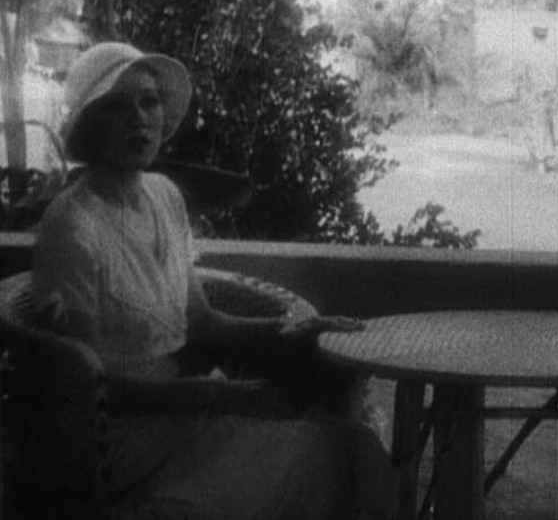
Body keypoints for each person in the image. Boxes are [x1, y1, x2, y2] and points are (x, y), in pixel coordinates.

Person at [32, 42, 396, 520]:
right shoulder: (72, 226)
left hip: (185, 411)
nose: (139, 119)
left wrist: (291, 329)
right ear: (87, 124)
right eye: (118, 107)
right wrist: (210, 395)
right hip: (120, 440)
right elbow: (86, 387)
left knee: (350, 442)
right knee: (324, 453)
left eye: (149, 101)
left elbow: (201, 321)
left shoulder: (164, 196)